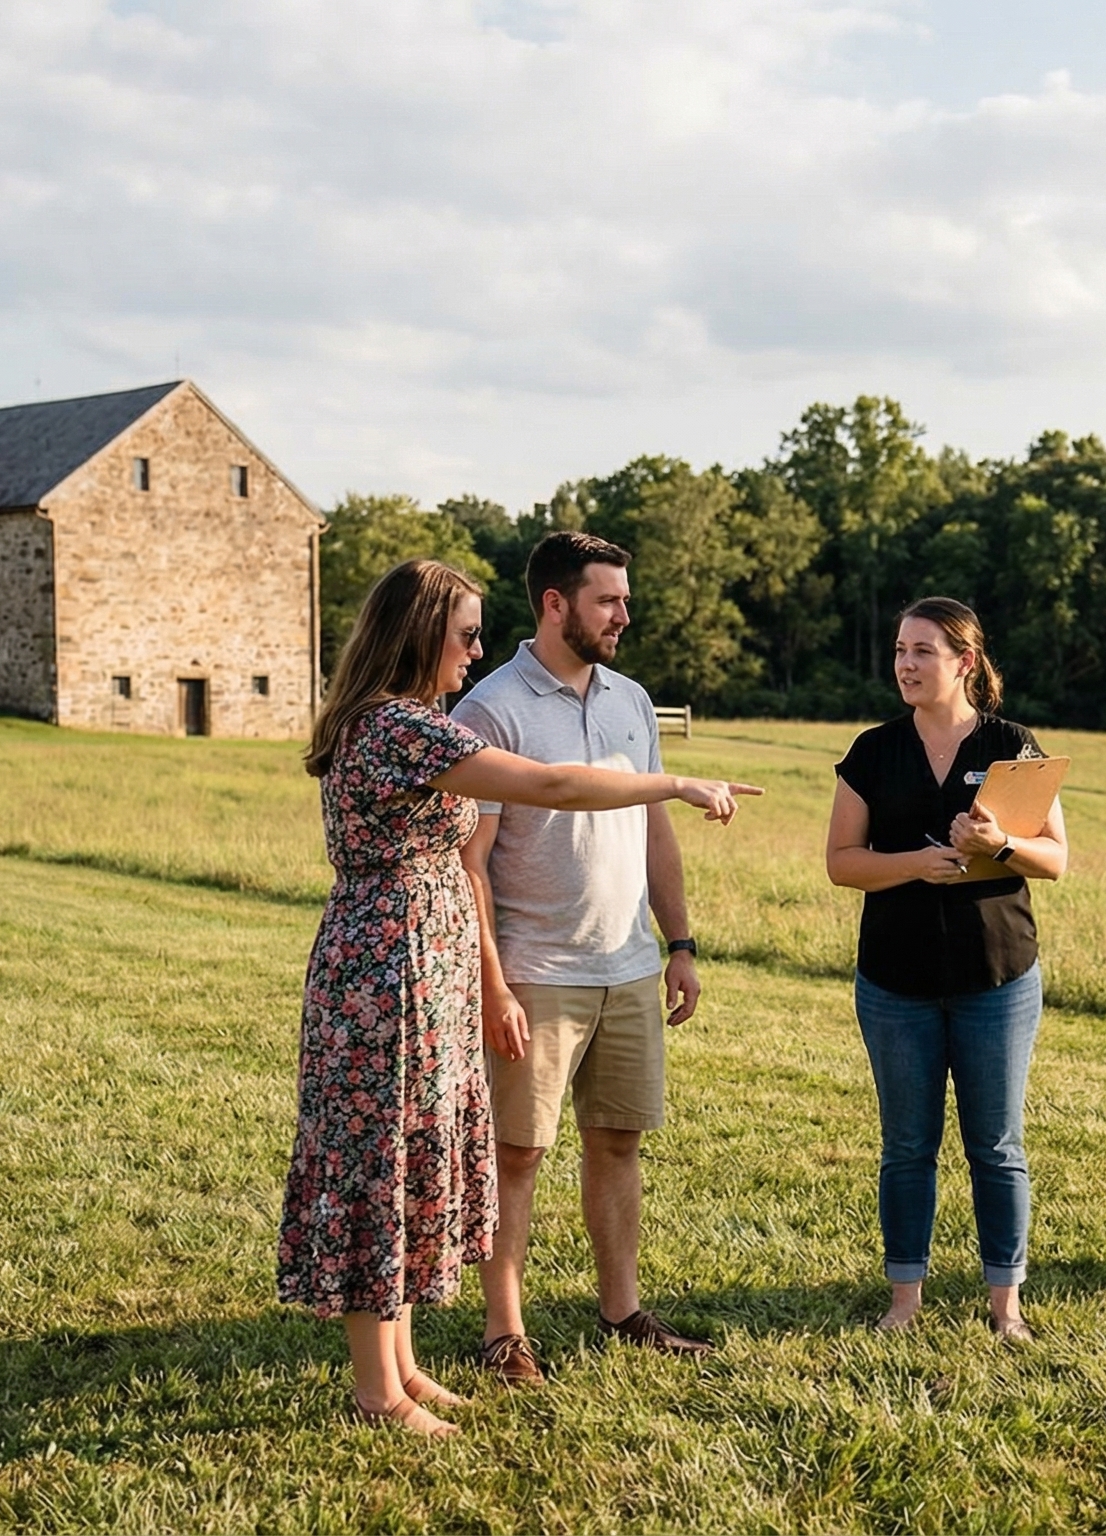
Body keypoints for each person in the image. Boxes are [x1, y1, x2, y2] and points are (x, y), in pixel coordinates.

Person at [276, 558, 757, 1437]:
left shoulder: (409, 725)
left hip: (419, 963)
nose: (476, 648)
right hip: (390, 971)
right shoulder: (396, 731)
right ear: (421, 635)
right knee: (382, 1169)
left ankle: (406, 1368)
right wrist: (677, 783)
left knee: (415, 1158)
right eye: (464, 632)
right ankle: (376, 1391)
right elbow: (554, 785)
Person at [451, 531, 717, 1384]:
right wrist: (494, 982)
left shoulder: (632, 701)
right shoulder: (489, 709)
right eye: (609, 600)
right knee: (518, 1154)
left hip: (630, 966)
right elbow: (471, 865)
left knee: (617, 1143)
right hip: (536, 972)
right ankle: (503, 1333)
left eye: (625, 598)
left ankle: (622, 1312)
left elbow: (653, 826)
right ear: (555, 604)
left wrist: (677, 943)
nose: (624, 614)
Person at [825, 596, 1067, 1341]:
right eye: (900, 650)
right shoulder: (873, 751)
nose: (905, 663)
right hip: (895, 982)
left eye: (922, 651)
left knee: (996, 1145)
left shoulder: (1012, 748)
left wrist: (999, 844)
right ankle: (904, 1301)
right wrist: (914, 864)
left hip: (997, 977)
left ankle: (1006, 1307)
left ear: (965, 661)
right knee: (906, 1146)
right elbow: (841, 864)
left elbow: (1055, 860)